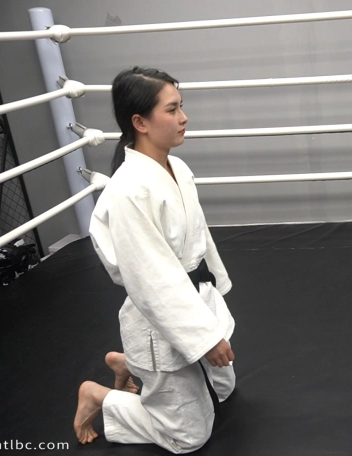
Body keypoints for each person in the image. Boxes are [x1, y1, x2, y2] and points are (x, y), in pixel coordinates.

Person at [72, 67, 236, 454]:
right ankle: (99, 396)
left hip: (192, 300)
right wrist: (204, 338)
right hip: (158, 316)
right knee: (189, 437)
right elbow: (152, 280)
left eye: (182, 107)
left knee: (224, 389)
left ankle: (127, 364)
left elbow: (199, 239)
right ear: (140, 122)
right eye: (172, 109)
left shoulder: (178, 168)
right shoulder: (128, 191)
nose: (184, 118)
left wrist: (217, 293)